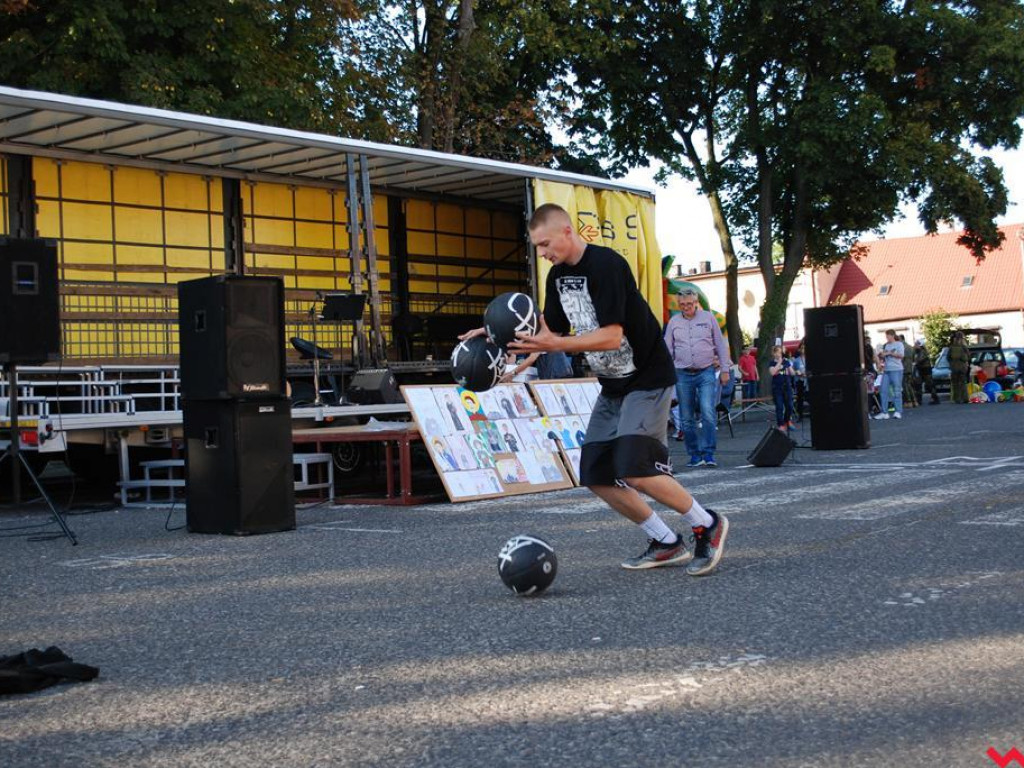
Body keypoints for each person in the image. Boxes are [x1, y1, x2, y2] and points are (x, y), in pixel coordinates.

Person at [466, 203, 728, 575]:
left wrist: (553, 346)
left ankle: (707, 524)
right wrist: (496, 337)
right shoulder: (556, 276)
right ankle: (666, 541)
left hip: (647, 378)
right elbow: (548, 332)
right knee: (596, 473)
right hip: (613, 385)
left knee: (636, 469)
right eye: (537, 247)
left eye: (545, 244)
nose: (542, 253)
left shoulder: (607, 265)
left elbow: (610, 336)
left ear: (567, 232)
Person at [663, 289, 732, 468]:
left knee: (708, 412)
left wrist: (725, 369)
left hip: (706, 371)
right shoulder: (673, 322)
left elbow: (720, 344)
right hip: (682, 373)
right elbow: (667, 349)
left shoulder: (708, 318)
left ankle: (708, 454)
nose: (686, 307)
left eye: (690, 304)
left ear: (696, 303)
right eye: (682, 305)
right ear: (679, 305)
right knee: (686, 417)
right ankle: (694, 455)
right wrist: (664, 372)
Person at [874, 328, 905, 419]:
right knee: (883, 390)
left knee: (897, 391)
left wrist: (889, 354)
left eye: (887, 336)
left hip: (897, 370)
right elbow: (884, 356)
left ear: (892, 336)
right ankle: (884, 412)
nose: (886, 338)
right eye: (886, 336)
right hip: (887, 370)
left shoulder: (899, 344)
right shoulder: (886, 345)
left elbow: (901, 356)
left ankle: (898, 411)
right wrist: (882, 355)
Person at [768, 345, 794, 429]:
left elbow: (792, 373)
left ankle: (787, 421)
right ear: (773, 353)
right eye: (776, 352)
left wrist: (789, 366)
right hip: (777, 388)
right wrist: (779, 363)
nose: (778, 354)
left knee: (789, 406)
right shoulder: (772, 363)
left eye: (780, 352)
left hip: (787, 387)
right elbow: (772, 372)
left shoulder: (786, 361)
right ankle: (781, 424)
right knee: (779, 406)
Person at [913, 339, 940, 405]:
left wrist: (915, 363)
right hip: (921, 369)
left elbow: (920, 360)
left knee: (929, 384)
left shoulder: (922, 351)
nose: (915, 345)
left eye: (916, 344)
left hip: (925, 369)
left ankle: (935, 398)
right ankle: (919, 400)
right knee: (918, 385)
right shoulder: (917, 352)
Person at [948, 331, 971, 404]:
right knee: (963, 383)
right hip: (962, 368)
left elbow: (948, 357)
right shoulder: (964, 346)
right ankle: (965, 398)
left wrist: (952, 364)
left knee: (955, 384)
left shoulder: (951, 347)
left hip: (954, 368)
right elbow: (968, 356)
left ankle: (957, 399)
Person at [899, 334, 918, 408]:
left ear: (901, 339)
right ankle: (914, 401)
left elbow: (901, 358)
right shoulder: (910, 347)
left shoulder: (902, 347)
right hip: (910, 368)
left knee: (905, 385)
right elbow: (913, 358)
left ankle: (908, 401)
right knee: (909, 384)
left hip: (903, 367)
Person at [790, 343, 807, 420]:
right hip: (800, 381)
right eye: (802, 348)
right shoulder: (796, 360)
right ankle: (800, 415)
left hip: (807, 381)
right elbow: (793, 370)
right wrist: (797, 372)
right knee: (800, 398)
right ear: (799, 350)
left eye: (804, 348)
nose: (803, 350)